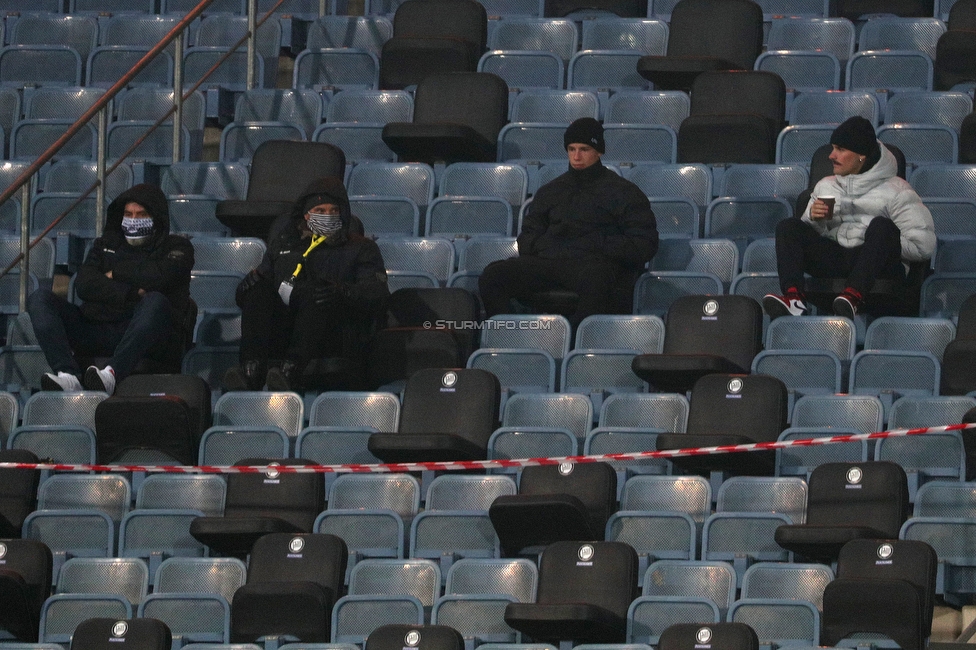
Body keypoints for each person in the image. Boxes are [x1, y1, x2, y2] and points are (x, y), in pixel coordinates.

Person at [478, 117, 659, 327]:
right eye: (571, 149)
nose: (577, 156)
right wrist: (546, 246)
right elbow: (528, 236)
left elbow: (644, 244)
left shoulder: (625, 192)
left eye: (584, 149)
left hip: (592, 265)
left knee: (597, 280)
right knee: (493, 276)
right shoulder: (551, 191)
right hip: (549, 262)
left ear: (598, 151)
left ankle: (571, 344)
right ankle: (510, 337)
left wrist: (598, 244)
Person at [764, 116, 936, 320]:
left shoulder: (897, 191)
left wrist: (882, 245)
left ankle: (853, 296)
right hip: (837, 258)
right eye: (833, 148)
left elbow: (923, 246)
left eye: (840, 149)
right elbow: (806, 240)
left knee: (881, 227)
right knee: (788, 227)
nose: (831, 156)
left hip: (879, 267)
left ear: (861, 156)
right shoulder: (826, 186)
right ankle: (794, 299)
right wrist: (814, 219)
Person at [28, 183, 195, 396]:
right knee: (39, 299)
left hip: (144, 335)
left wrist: (115, 273)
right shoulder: (104, 244)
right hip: (95, 327)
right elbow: (84, 285)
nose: (134, 219)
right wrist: (132, 293)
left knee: (156, 301)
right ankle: (68, 375)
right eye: (128, 214)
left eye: (141, 214)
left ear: (156, 218)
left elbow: (159, 278)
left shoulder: (177, 247)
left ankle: (112, 375)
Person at [225, 176, 389, 392]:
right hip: (284, 328)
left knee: (316, 291)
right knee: (259, 292)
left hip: (333, 330)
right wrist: (246, 288)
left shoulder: (361, 248)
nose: (328, 216)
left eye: (333, 211)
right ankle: (250, 371)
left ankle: (290, 371)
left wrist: (342, 292)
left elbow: (377, 293)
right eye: (320, 211)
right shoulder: (283, 247)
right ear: (306, 214)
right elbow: (252, 297)